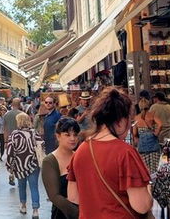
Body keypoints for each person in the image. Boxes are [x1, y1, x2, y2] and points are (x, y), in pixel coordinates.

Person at [67, 88, 152, 218]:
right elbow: (141, 206)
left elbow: (73, 197)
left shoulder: (81, 150)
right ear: (120, 121)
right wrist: (149, 190)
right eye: (130, 121)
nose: (130, 126)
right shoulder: (125, 153)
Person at [6, 113, 43, 219]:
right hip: (33, 164)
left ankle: (23, 206)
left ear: (19, 121)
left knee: (22, 187)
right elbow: (41, 144)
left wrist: (10, 166)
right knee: (34, 187)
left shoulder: (14, 134)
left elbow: (10, 151)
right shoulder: (33, 133)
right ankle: (35, 210)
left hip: (20, 165)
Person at [42, 118, 80, 219]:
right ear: (58, 136)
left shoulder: (80, 156)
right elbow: (54, 196)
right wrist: (79, 214)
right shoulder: (49, 161)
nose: (72, 138)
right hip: (63, 214)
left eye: (75, 135)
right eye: (67, 135)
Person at [132, 98, 162, 174]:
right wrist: (156, 133)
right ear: (148, 106)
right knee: (155, 169)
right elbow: (160, 124)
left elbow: (134, 133)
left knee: (145, 169)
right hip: (153, 144)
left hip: (142, 146)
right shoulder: (152, 115)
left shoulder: (136, 118)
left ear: (139, 106)